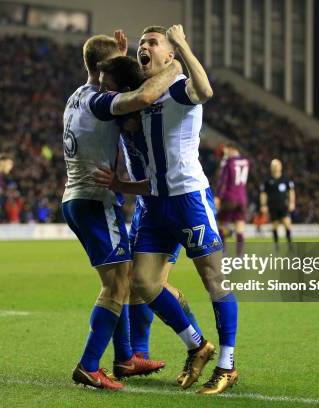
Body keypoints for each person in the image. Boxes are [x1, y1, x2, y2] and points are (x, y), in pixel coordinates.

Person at [91, 25, 238, 394]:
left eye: (152, 43)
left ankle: (226, 364)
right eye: (142, 44)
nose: (145, 47)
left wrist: (184, 45)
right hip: (154, 205)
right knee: (142, 283)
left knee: (214, 281)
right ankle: (197, 345)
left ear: (169, 55)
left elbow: (205, 90)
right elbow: (111, 81)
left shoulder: (177, 89)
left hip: (188, 200)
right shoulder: (143, 95)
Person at [62, 32, 183, 390]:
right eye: (117, 61)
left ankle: (126, 358)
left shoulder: (76, 95)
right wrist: (174, 65)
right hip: (95, 200)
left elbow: (114, 80)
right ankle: (88, 365)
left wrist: (120, 57)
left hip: (78, 198)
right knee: (116, 287)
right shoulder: (100, 100)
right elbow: (145, 95)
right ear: (102, 70)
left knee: (125, 279)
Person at [93, 55, 204, 369]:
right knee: (137, 283)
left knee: (152, 285)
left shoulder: (154, 120)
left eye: (107, 87)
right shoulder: (121, 115)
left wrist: (120, 185)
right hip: (146, 208)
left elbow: (160, 183)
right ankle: (139, 352)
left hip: (171, 204)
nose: (101, 93)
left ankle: (197, 343)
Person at [214, 144, 249, 256]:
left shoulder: (229, 163)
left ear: (232, 149)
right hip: (242, 198)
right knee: (240, 227)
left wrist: (218, 197)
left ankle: (223, 252)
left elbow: (223, 181)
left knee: (221, 224)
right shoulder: (246, 161)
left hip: (230, 197)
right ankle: (239, 255)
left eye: (227, 151)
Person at [260, 159, 295, 250]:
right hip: (272, 206)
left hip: (284, 206)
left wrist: (292, 202)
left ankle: (290, 244)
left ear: (280, 167)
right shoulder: (267, 180)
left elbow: (291, 191)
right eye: (273, 165)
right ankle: (276, 245)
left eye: (277, 165)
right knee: (274, 225)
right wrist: (263, 205)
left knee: (287, 224)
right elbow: (263, 193)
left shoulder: (286, 178)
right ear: (271, 167)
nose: (275, 167)